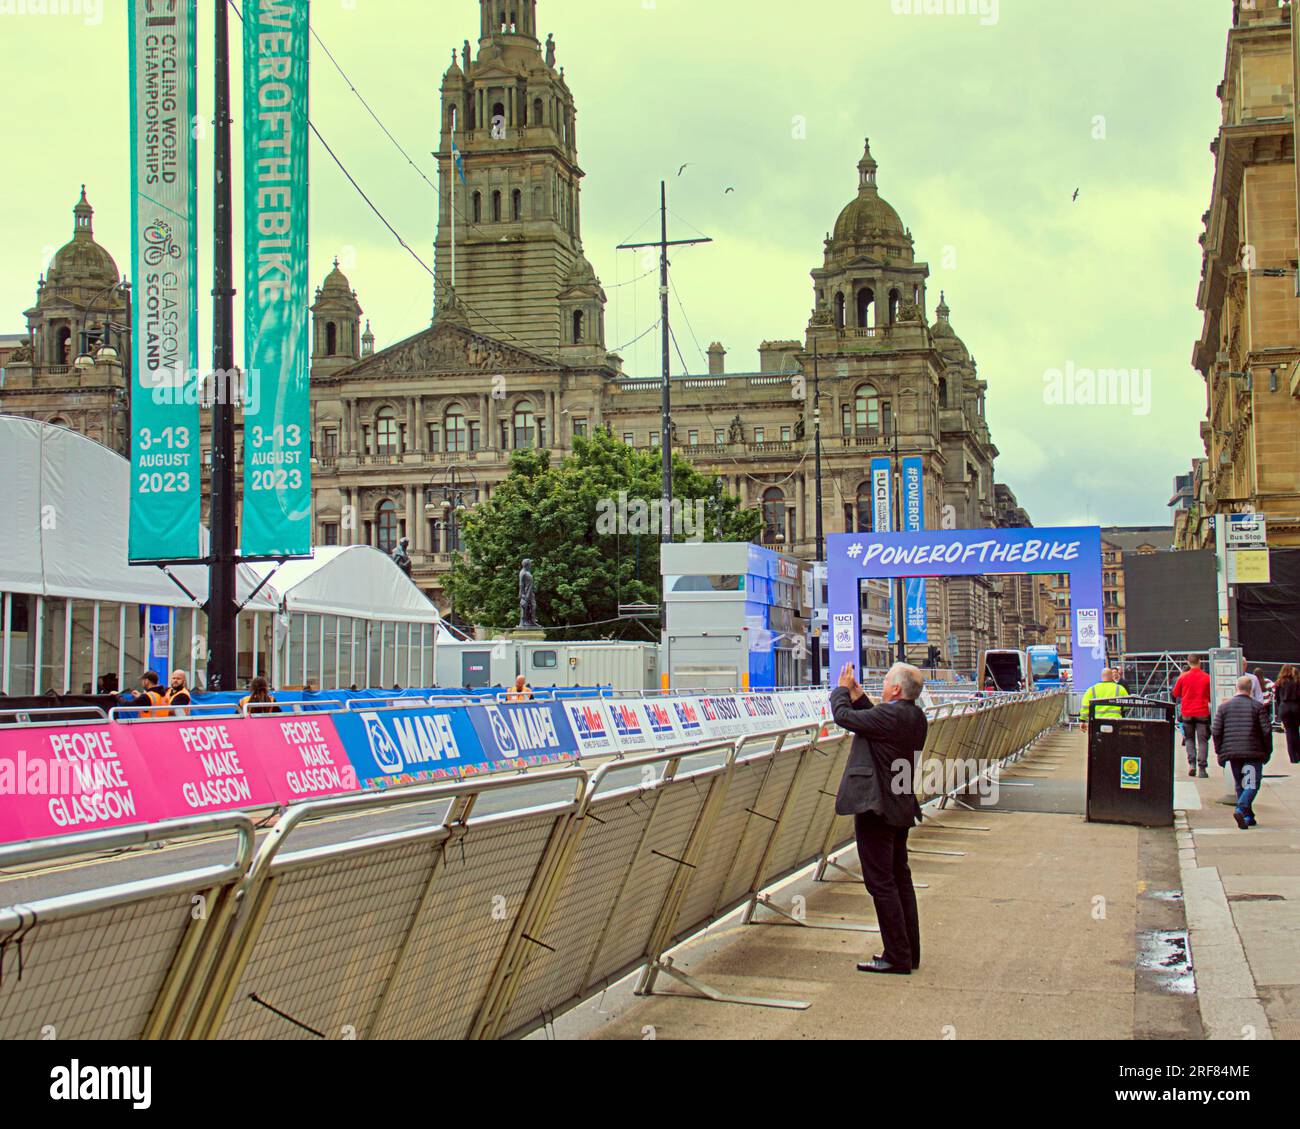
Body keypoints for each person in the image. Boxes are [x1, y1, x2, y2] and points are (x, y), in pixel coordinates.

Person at [830, 661, 929, 975]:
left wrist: (841, 690)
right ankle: (908, 952)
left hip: (877, 807)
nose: (883, 685)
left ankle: (896, 955)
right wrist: (858, 695)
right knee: (900, 878)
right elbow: (872, 721)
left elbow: (844, 718)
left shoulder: (891, 715)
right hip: (899, 806)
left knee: (880, 882)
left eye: (886, 681)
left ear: (896, 688)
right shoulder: (914, 716)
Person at [1213, 674, 1273, 829]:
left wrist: (1220, 751)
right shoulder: (1257, 707)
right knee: (1252, 784)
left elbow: (1216, 731)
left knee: (1240, 784)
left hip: (1233, 752)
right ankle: (1241, 809)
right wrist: (1268, 751)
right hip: (1252, 752)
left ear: (1236, 688)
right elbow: (1266, 731)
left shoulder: (1224, 707)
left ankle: (1247, 817)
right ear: (1251, 689)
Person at [1171, 655, 1212, 778]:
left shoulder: (1183, 677)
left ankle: (1192, 764)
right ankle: (1202, 768)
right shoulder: (1207, 677)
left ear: (1188, 663)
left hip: (1187, 712)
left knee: (1189, 739)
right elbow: (1211, 695)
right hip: (1202, 712)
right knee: (1203, 740)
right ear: (1199, 662)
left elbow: (1175, 693)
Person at [1274, 665, 1300, 765]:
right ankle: (1298, 753)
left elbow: (1277, 697)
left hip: (1284, 707)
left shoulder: (1279, 682)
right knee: (1296, 731)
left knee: (1288, 732)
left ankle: (1292, 757)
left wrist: (1280, 707)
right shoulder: (1297, 681)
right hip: (1296, 707)